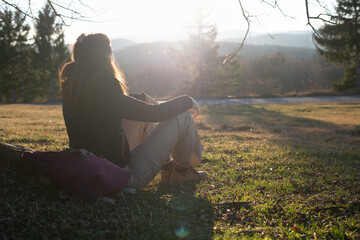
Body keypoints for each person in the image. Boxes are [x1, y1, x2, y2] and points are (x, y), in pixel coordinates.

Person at [59, 33, 207, 190]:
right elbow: (155, 114)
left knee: (144, 101)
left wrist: (142, 100)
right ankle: (182, 173)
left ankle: (167, 166)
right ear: (105, 56)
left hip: (90, 166)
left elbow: (116, 107)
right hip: (121, 177)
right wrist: (187, 101)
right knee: (182, 117)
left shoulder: (72, 86)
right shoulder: (106, 86)